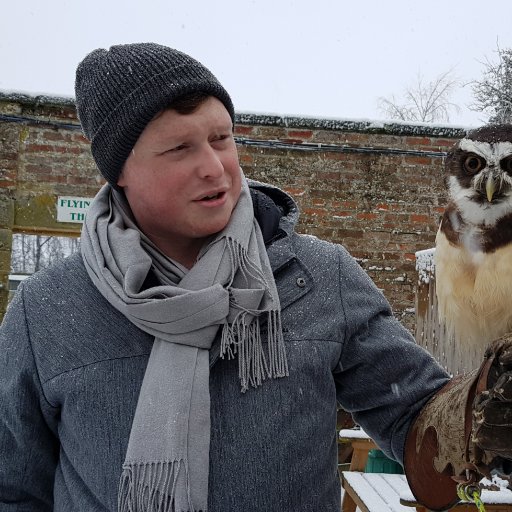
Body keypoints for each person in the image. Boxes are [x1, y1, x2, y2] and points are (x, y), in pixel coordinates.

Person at [0, 43, 511, 512]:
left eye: (221, 138)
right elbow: (14, 489)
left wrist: (481, 413)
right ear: (118, 171)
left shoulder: (318, 278)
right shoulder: (47, 312)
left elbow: (419, 421)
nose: (215, 168)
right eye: (179, 148)